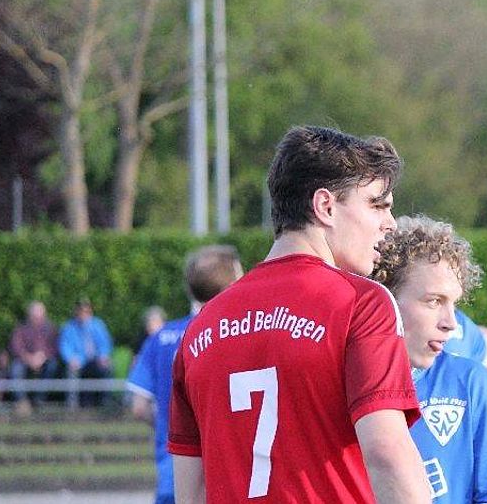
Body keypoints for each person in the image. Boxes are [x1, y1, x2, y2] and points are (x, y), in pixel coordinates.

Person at [168, 126, 429, 503]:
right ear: (325, 206)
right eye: (377, 205)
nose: (390, 223)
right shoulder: (361, 303)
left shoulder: (201, 327)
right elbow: (387, 453)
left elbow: (191, 493)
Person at [371, 215, 487, 504]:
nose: (451, 323)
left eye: (454, 303)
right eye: (434, 301)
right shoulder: (339, 383)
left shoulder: (474, 385)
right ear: (384, 297)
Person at [127, 246, 243, 504]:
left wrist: (169, 425)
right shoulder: (236, 333)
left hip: (173, 474)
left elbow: (138, 407)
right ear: (233, 282)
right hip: (226, 477)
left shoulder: (161, 337)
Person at [58, 299, 114, 408]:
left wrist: (103, 355)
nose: (83, 314)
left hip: (96, 360)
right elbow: (65, 346)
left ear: (90, 312)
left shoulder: (98, 325)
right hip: (79, 361)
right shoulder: (69, 327)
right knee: (71, 370)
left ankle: (105, 402)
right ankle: (72, 405)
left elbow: (105, 343)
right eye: (80, 311)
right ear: (76, 312)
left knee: (107, 366)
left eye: (86, 312)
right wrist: (71, 359)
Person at [9, 301, 59, 414]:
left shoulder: (52, 329)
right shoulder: (20, 328)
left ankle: (39, 400)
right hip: (25, 360)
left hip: (45, 360)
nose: (38, 319)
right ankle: (21, 402)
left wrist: (43, 357)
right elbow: (16, 347)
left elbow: (55, 348)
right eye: (35, 316)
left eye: (40, 316)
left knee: (52, 366)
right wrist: (29, 358)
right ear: (29, 315)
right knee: (15, 368)